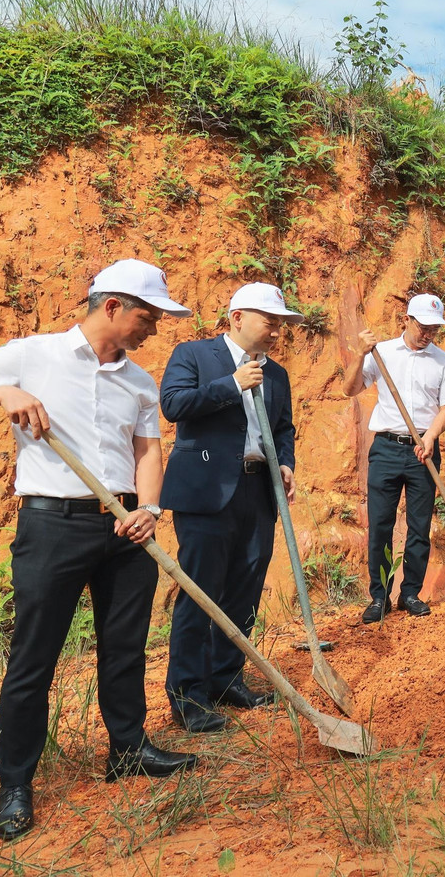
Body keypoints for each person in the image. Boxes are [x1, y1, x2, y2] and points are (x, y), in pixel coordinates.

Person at [0, 258, 197, 841]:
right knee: (35, 656)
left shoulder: (140, 381)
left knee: (124, 648)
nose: (154, 329)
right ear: (113, 307)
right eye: (149, 317)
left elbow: (148, 451)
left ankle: (128, 749)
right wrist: (2, 393)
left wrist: (150, 510)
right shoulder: (32, 355)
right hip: (54, 525)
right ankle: (15, 785)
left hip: (127, 527)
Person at [160, 283, 300, 733]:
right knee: (200, 592)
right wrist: (231, 385)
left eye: (280, 324)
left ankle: (226, 679)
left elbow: (283, 428)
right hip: (206, 492)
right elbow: (173, 404)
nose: (276, 331)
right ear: (237, 317)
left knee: (244, 590)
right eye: (269, 322)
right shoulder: (194, 355)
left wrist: (285, 463)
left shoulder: (276, 374)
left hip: (257, 491)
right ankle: (188, 697)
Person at [343, 294, 445, 622]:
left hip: (424, 450)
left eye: (434, 329)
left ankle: (410, 593)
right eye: (423, 327)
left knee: (419, 526)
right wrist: (360, 354)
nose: (427, 334)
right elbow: (349, 388)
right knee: (380, 524)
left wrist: (431, 436)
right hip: (386, 449)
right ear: (406, 320)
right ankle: (379, 596)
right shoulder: (381, 353)